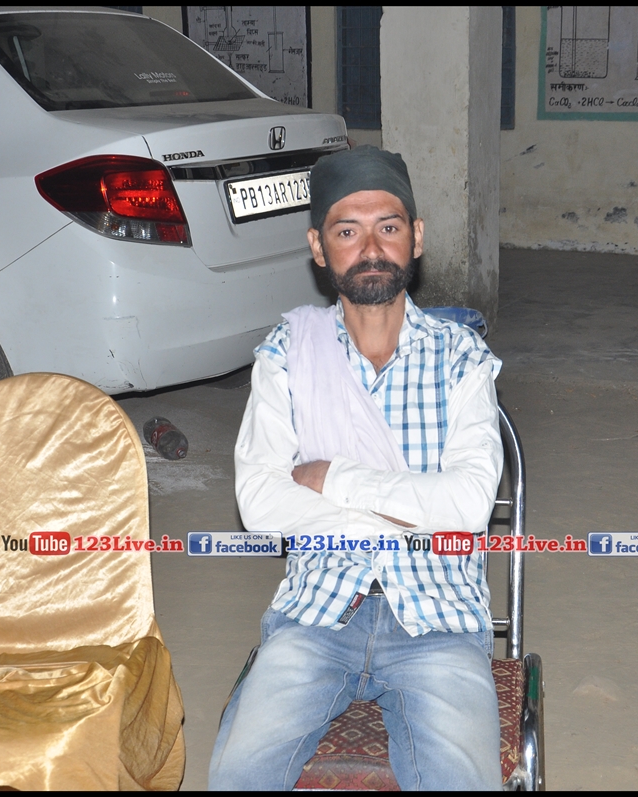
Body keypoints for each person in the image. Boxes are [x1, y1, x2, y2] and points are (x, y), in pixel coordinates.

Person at [209, 146, 504, 791]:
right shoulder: (288, 353)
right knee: (238, 776)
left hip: (438, 618)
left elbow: (467, 507)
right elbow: (260, 504)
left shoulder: (460, 357)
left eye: (388, 227)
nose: (371, 248)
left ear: (416, 238)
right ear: (319, 247)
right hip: (315, 614)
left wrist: (335, 479)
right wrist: (407, 518)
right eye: (347, 231)